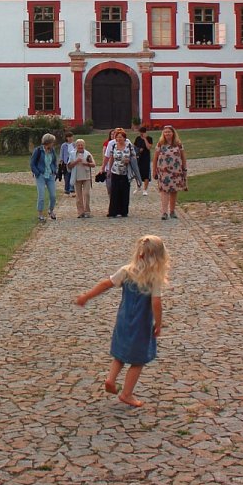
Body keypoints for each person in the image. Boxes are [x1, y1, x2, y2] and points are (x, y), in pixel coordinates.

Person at [75, 235, 169, 407]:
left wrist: (86, 296)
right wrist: (159, 323)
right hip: (141, 324)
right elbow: (156, 303)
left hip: (123, 320)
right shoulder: (154, 279)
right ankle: (126, 393)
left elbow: (106, 284)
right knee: (138, 360)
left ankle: (111, 379)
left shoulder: (127, 271)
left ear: (139, 254)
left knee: (120, 354)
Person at [153, 125, 188, 220]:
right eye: (165, 132)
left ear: (173, 133)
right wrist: (154, 171)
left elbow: (183, 157)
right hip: (163, 172)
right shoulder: (160, 144)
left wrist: (184, 169)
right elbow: (155, 158)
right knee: (164, 191)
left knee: (174, 191)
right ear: (163, 134)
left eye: (169, 132)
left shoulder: (178, 144)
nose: (167, 133)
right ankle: (164, 212)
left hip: (176, 172)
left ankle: (172, 211)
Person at [102, 128, 135, 218]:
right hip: (115, 171)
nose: (119, 139)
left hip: (125, 171)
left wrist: (129, 160)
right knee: (114, 191)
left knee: (124, 191)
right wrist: (108, 170)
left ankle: (124, 211)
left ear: (124, 138)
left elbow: (134, 157)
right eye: (117, 137)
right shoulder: (114, 146)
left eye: (121, 137)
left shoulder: (129, 146)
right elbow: (111, 157)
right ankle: (113, 211)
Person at [29, 133, 59, 222]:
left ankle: (51, 210)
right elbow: (32, 163)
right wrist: (37, 173)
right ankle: (40, 214)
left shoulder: (52, 150)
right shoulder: (38, 150)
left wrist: (54, 170)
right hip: (41, 175)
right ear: (48, 142)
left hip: (50, 175)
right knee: (41, 195)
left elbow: (54, 161)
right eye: (52, 142)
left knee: (53, 195)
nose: (53, 143)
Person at [70, 139, 96, 218]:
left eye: (82, 145)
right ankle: (80, 212)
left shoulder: (87, 154)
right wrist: (76, 161)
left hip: (86, 176)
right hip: (77, 176)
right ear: (76, 146)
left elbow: (93, 164)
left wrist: (86, 163)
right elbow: (69, 166)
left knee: (86, 194)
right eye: (79, 145)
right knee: (78, 195)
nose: (80, 147)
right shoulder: (72, 154)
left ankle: (87, 211)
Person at [133, 126, 154, 196]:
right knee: (137, 172)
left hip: (146, 158)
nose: (141, 134)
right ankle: (138, 186)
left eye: (142, 133)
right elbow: (134, 147)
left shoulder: (149, 138)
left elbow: (149, 147)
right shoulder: (138, 138)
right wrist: (138, 150)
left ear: (145, 132)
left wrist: (145, 139)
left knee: (146, 173)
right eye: (140, 133)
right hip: (138, 157)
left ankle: (145, 189)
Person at [58, 132, 77, 196]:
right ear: (66, 138)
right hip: (66, 163)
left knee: (73, 176)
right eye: (69, 137)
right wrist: (61, 161)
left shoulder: (74, 144)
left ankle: (72, 189)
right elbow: (61, 154)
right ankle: (67, 190)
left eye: (71, 137)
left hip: (73, 162)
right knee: (67, 177)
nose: (70, 138)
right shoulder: (64, 145)